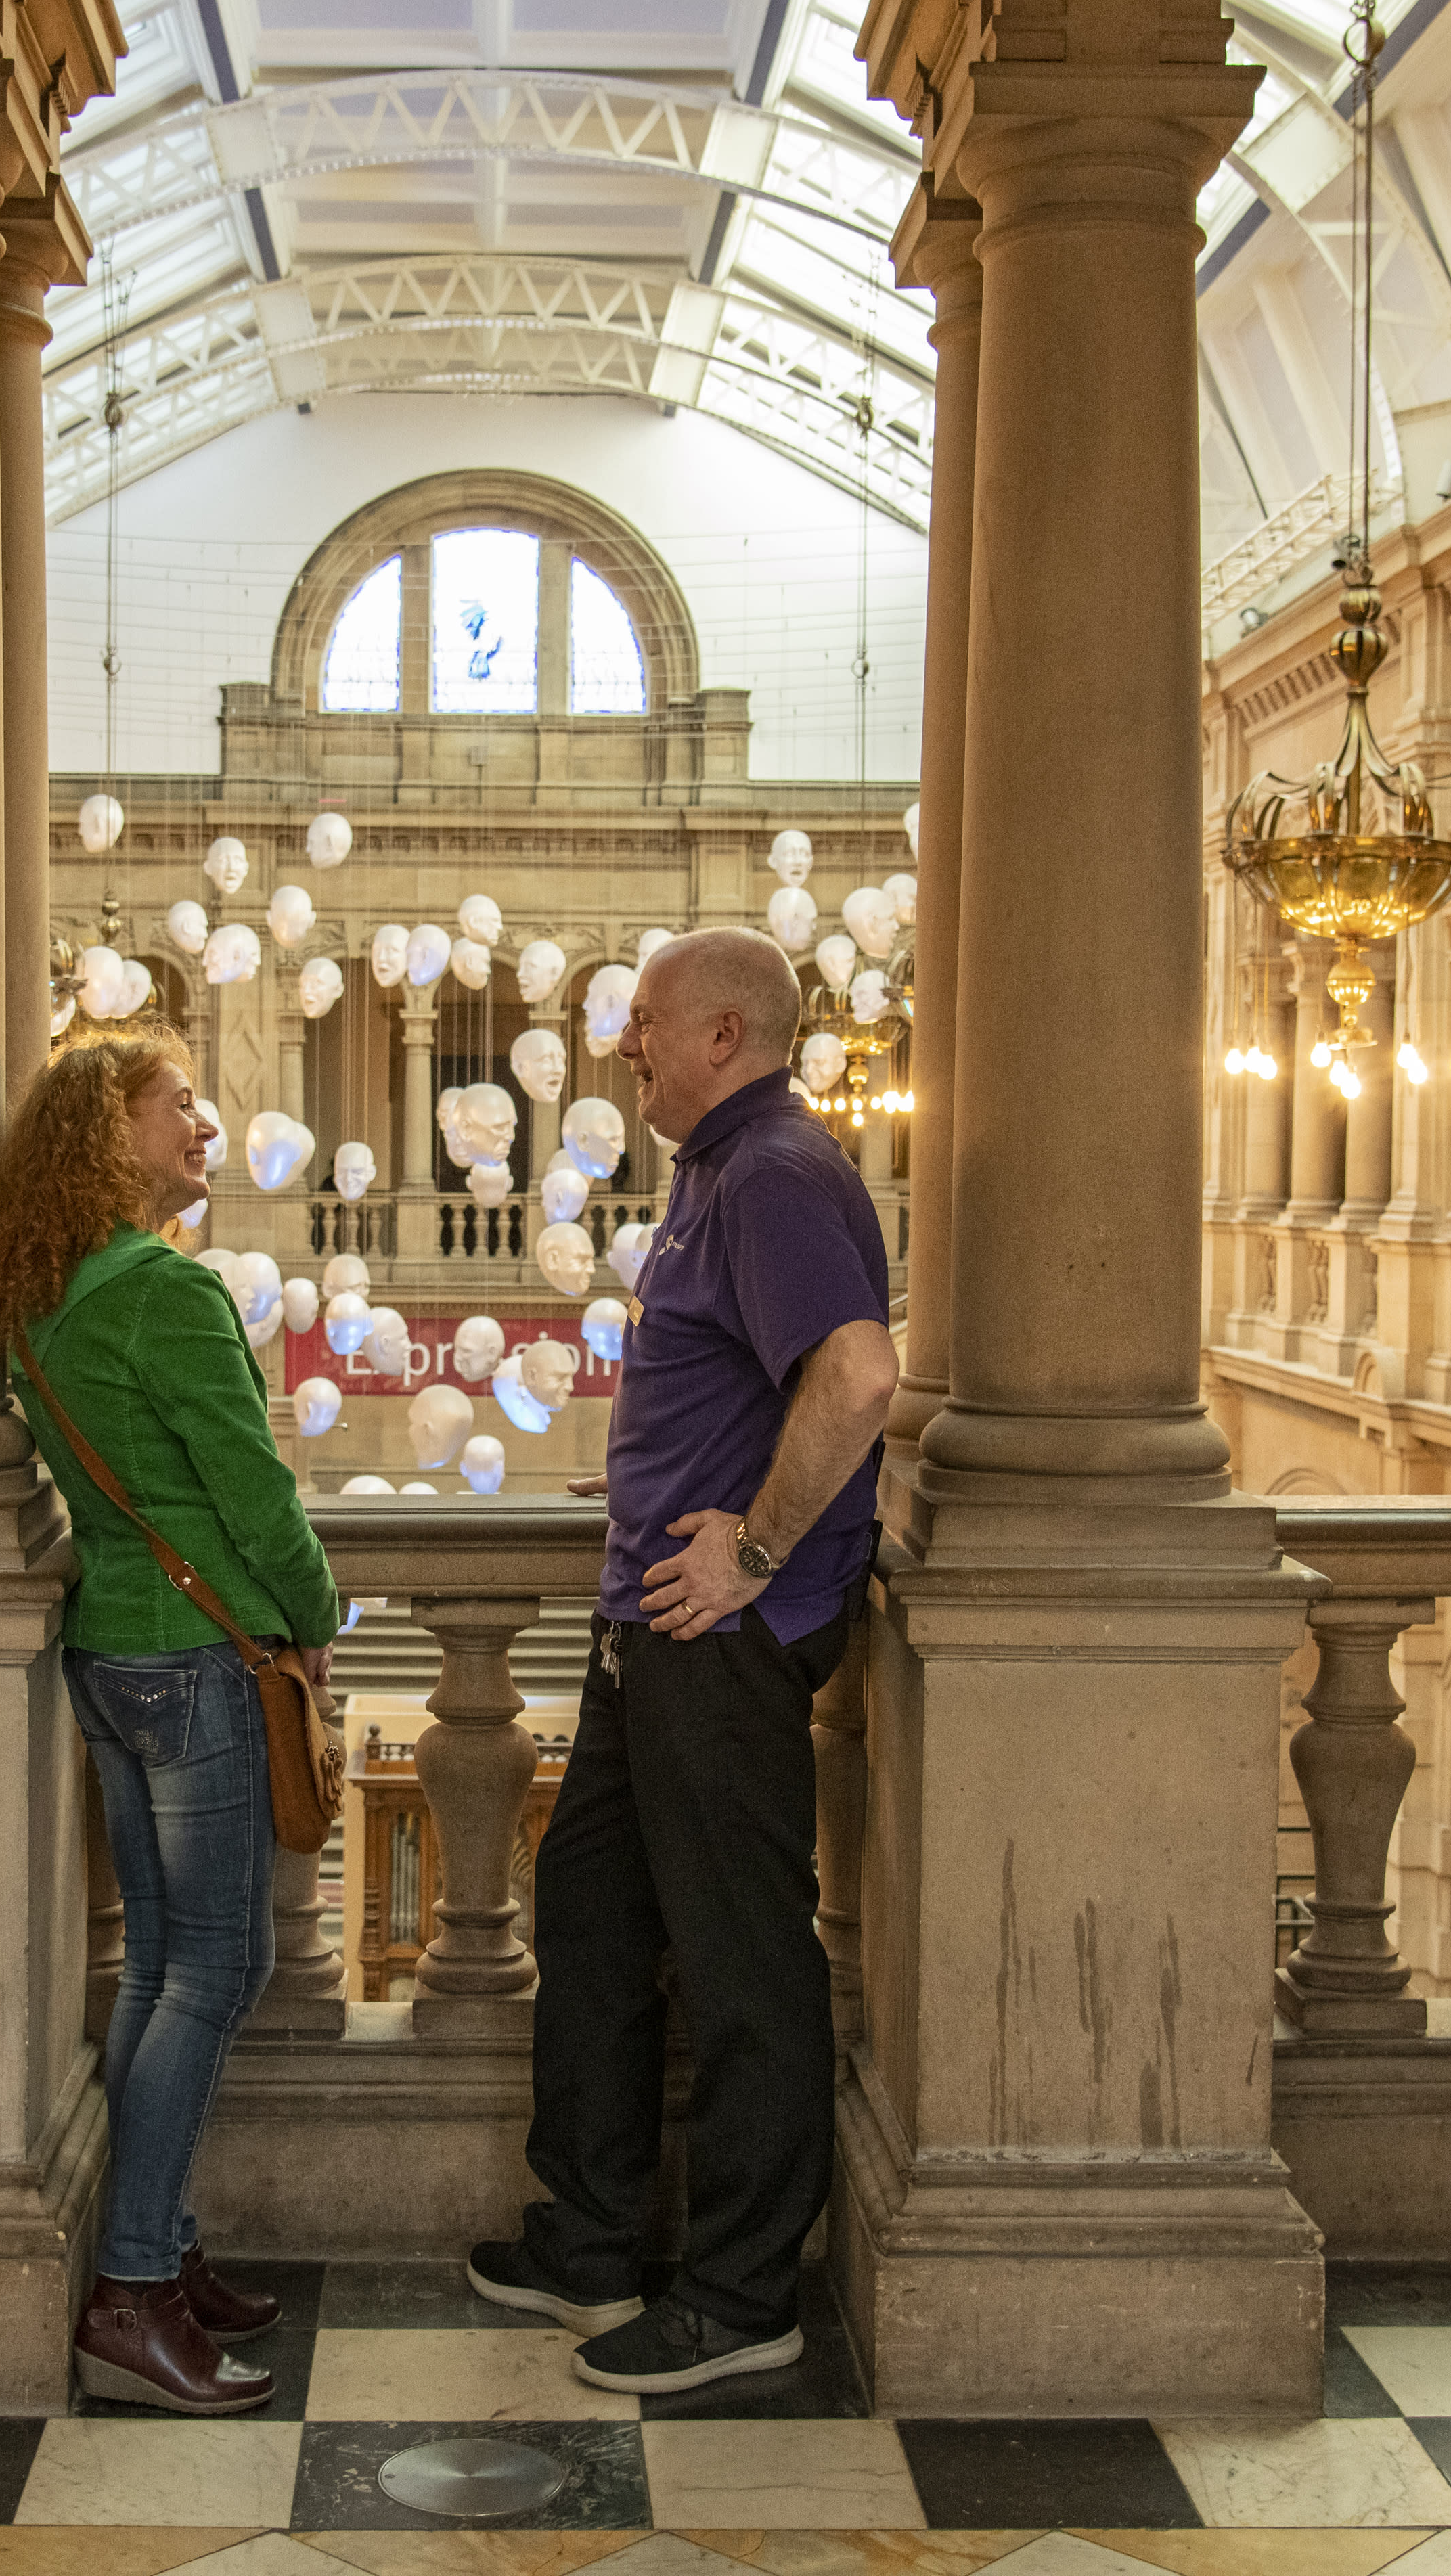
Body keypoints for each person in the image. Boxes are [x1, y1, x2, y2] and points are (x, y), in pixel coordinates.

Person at [465, 924, 901, 2393]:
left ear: (724, 1032)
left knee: (739, 1960)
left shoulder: (775, 1168)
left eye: (645, 1020)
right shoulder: (721, 1167)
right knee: (591, 1914)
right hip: (652, 1623)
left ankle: (739, 2290)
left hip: (722, 1637)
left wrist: (755, 1549)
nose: (623, 1043)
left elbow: (857, 1376)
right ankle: (591, 2232)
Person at [0, 1031, 341, 2415]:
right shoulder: (167, 1293)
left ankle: (160, 2249)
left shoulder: (48, 1293)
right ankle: (130, 2289)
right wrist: (320, 1613)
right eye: (175, 1101)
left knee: (155, 1968)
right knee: (217, 1967)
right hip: (200, 1660)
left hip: (114, 1653)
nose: (206, 1119)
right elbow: (253, 1492)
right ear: (104, 1132)